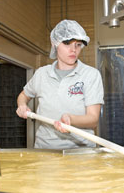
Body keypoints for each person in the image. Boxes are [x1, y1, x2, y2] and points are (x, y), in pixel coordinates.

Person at [16, 19, 104, 149]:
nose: (74, 50)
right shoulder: (41, 74)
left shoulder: (91, 75)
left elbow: (93, 119)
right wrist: (22, 105)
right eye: (67, 43)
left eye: (78, 45)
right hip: (45, 150)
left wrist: (71, 119)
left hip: (81, 151)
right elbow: (23, 95)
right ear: (55, 44)